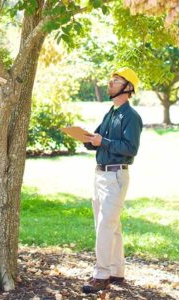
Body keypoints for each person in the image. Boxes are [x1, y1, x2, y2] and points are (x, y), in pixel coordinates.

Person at [82, 67, 143, 294]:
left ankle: (101, 275)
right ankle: (117, 271)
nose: (110, 83)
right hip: (100, 174)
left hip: (115, 175)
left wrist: (103, 142)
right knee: (112, 224)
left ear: (128, 88)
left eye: (116, 80)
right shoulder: (110, 113)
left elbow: (130, 148)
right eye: (111, 79)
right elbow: (99, 138)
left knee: (105, 225)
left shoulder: (131, 117)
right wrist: (88, 139)